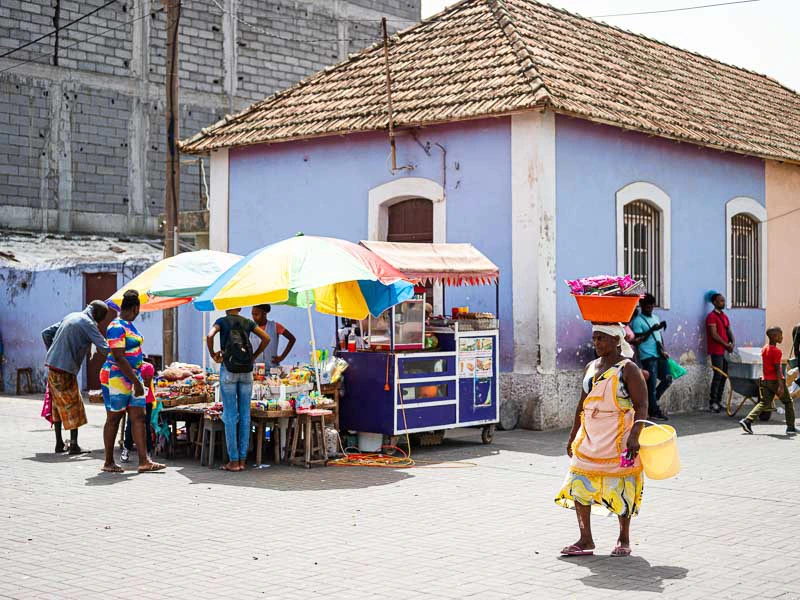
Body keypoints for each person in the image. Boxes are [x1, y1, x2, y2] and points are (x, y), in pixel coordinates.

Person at [555, 324, 648, 557]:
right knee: (578, 484)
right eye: (594, 339)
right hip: (589, 437)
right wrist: (572, 436)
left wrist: (636, 435)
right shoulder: (590, 367)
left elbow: (642, 405)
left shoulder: (628, 369)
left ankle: (623, 539)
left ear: (617, 340)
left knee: (622, 488)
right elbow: (582, 405)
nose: (596, 343)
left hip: (619, 438)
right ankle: (585, 540)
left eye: (601, 339)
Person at [99, 290, 165, 473]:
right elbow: (119, 357)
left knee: (138, 416)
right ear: (135, 308)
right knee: (114, 417)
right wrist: (136, 382)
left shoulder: (128, 325)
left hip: (133, 376)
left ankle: (144, 461)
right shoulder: (116, 327)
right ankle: (108, 461)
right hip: (116, 377)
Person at [41, 300, 110, 454]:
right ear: (97, 314)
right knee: (74, 405)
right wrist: (122, 360)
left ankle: (59, 443)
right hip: (65, 369)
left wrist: (54, 352)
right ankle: (74, 445)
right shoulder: (88, 323)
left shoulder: (72, 316)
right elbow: (104, 347)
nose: (100, 322)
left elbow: (46, 333)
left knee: (57, 405)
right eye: (102, 318)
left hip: (52, 366)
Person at [207, 308, 270, 472]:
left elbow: (209, 335)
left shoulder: (221, 321)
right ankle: (242, 460)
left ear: (226, 307)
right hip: (246, 371)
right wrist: (254, 356)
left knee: (230, 415)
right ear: (240, 308)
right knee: (245, 415)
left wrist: (213, 354)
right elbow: (266, 338)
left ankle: (233, 461)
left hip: (229, 369)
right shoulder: (247, 322)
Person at [739, 327, 797, 435]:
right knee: (788, 402)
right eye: (780, 335)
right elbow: (777, 369)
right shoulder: (777, 351)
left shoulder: (765, 348)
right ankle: (791, 427)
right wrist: (780, 385)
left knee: (764, 403)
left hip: (766, 381)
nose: (782, 337)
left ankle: (747, 421)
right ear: (775, 337)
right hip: (775, 381)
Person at [631, 294, 671, 421]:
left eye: (651, 306)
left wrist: (663, 351)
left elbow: (659, 337)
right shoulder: (638, 321)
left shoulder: (655, 317)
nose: (649, 308)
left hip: (659, 354)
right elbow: (638, 340)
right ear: (642, 306)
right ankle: (653, 410)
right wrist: (651, 330)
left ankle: (652, 402)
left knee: (667, 379)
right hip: (647, 356)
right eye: (647, 306)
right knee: (651, 386)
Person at [120, 361, 156, 463]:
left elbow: (146, 385)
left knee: (146, 426)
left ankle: (147, 452)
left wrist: (135, 380)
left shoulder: (148, 367)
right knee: (130, 425)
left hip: (145, 400)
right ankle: (126, 449)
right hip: (131, 399)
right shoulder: (128, 366)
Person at [706, 293, 735, 413]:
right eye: (720, 301)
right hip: (716, 350)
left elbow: (728, 330)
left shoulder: (724, 316)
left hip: (725, 350)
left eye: (723, 300)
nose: (723, 303)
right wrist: (725, 345)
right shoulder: (711, 317)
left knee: (724, 375)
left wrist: (732, 342)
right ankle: (713, 402)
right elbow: (714, 334)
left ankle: (719, 400)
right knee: (718, 375)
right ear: (714, 302)